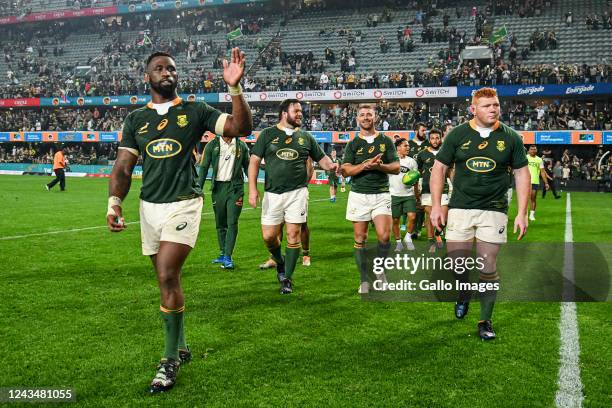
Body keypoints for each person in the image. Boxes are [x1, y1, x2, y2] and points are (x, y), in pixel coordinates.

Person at [107, 49, 252, 393]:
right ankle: (182, 344)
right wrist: (114, 202)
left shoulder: (194, 110)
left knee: (167, 274)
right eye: (159, 68)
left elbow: (240, 127)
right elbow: (123, 167)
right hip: (148, 208)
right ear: (147, 77)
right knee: (166, 282)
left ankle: (169, 360)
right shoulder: (135, 120)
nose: (167, 72)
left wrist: (235, 89)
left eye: (171, 68)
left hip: (184, 204)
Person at [430, 87, 530, 341]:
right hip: (460, 208)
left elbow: (521, 174)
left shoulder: (511, 137)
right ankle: (464, 292)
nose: (493, 109)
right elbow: (439, 168)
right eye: (487, 106)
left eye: (495, 105)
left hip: (494, 210)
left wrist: (522, 212)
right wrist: (437, 205)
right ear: (473, 109)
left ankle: (485, 320)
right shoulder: (457, 134)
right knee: (457, 263)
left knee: (488, 267)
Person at [248, 99, 339, 294]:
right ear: (284, 113)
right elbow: (254, 161)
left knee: (292, 234)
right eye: (296, 111)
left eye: (301, 111)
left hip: (297, 193)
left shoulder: (306, 137)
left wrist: (331, 165)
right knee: (269, 237)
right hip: (272, 194)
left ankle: (287, 279)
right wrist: (253, 189)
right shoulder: (267, 134)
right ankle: (279, 261)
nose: (300, 114)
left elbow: (322, 159)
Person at [341, 104, 400, 294]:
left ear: (375, 118)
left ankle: (380, 272)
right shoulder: (352, 144)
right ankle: (364, 280)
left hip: (381, 193)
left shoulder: (386, 141)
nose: (366, 117)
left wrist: (379, 166)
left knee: (384, 237)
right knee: (360, 238)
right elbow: (345, 170)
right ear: (357, 119)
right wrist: (365, 166)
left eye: (369, 114)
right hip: (359, 195)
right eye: (362, 115)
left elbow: (396, 168)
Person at [198, 132, 250, 269]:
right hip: (217, 189)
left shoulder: (242, 146)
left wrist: (253, 188)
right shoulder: (211, 145)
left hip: (235, 189)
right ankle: (222, 253)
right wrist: (198, 190)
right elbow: (203, 168)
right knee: (220, 223)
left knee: (232, 222)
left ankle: (228, 256)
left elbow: (248, 168)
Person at [416, 128, 449, 253]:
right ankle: (432, 242)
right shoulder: (422, 154)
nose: (435, 141)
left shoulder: (445, 153)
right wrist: (417, 189)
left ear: (441, 139)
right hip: (426, 190)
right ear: (429, 139)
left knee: (443, 218)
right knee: (431, 217)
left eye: (437, 138)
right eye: (432, 138)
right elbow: (417, 172)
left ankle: (438, 234)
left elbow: (451, 170)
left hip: (444, 189)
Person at [389, 138, 418, 251]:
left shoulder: (412, 162)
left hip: (408, 194)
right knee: (395, 220)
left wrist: (417, 193)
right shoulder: (391, 161)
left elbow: (415, 177)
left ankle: (408, 237)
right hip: (393, 194)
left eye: (408, 145)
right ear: (398, 148)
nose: (408, 147)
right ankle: (398, 243)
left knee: (412, 216)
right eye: (405, 146)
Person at [409, 122, 429, 239]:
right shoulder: (408, 144)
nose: (424, 133)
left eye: (425, 131)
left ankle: (417, 230)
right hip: (410, 179)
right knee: (412, 205)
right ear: (416, 131)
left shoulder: (428, 144)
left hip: (424, 178)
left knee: (421, 205)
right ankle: (411, 228)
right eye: (423, 130)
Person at [526, 145, 550, 221]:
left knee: (533, 198)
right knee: (524, 199)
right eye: (531, 149)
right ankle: (523, 214)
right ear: (529, 150)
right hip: (525, 182)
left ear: (536, 150)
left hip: (535, 182)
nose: (533, 150)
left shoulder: (539, 160)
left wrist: (546, 183)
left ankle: (532, 215)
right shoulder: (525, 158)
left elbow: (542, 172)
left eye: (534, 149)